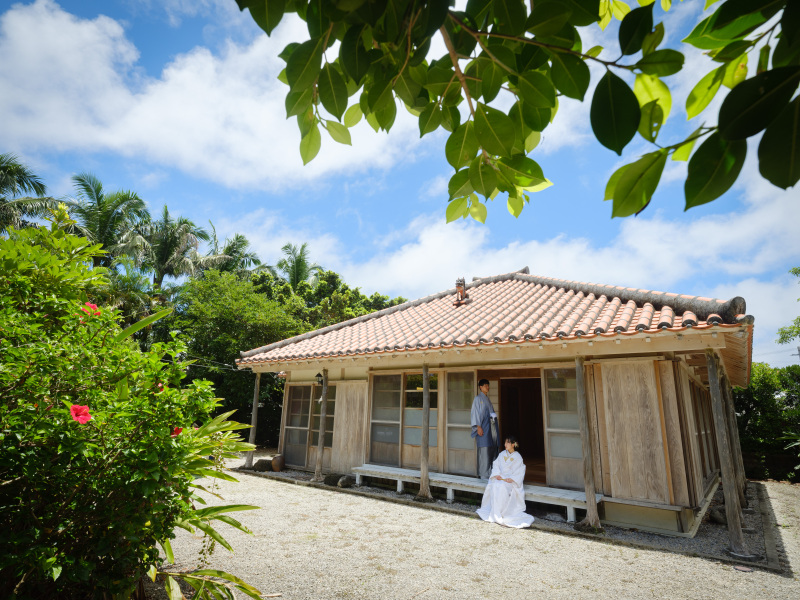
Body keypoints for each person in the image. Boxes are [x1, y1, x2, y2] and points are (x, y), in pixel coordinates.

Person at [476, 436, 534, 528]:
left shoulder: (517, 457)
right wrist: (497, 475)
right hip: (501, 477)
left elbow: (520, 470)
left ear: (513, 444)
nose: (505, 445)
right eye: (505, 442)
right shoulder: (502, 454)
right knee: (495, 485)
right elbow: (496, 465)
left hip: (510, 480)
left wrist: (512, 478)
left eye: (507, 443)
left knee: (502, 487)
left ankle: (503, 511)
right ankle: (496, 511)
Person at [470, 378, 497, 480]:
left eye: (488, 385)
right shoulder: (478, 399)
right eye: (485, 385)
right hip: (483, 428)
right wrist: (478, 427)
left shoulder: (487, 399)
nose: (487, 387)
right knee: (484, 450)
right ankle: (483, 475)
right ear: (480, 387)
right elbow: (475, 413)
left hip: (490, 428)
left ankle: (489, 473)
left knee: (491, 449)